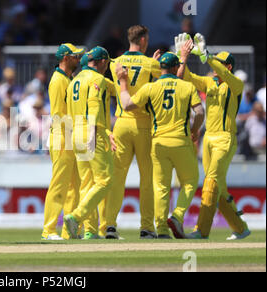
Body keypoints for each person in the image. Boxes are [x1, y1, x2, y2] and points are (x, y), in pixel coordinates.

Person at [115, 51, 205, 239]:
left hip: (157, 143)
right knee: (190, 181)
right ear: (175, 67)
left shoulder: (150, 87)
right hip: (181, 140)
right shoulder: (187, 86)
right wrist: (195, 130)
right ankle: (178, 216)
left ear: (161, 68)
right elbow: (199, 112)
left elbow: (127, 105)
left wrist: (123, 84)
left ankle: (162, 229)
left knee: (161, 187)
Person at [175, 32, 251, 240]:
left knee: (211, 182)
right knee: (219, 188)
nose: (212, 66)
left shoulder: (235, 84)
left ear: (227, 67)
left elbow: (223, 74)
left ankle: (201, 230)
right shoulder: (210, 84)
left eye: (218, 64)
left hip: (226, 139)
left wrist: (208, 56)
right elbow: (186, 78)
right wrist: (182, 56)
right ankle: (241, 228)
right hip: (208, 138)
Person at [105, 25, 162, 239]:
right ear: (144, 39)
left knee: (117, 178)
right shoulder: (150, 63)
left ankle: (110, 225)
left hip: (121, 124)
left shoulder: (115, 63)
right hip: (144, 125)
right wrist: (152, 61)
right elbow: (167, 73)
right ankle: (146, 227)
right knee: (147, 179)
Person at [63, 46, 113, 239]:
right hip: (91, 131)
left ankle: (91, 230)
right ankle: (76, 217)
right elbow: (93, 106)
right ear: (101, 61)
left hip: (76, 132)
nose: (106, 67)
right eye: (106, 63)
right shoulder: (97, 79)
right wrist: (92, 132)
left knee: (87, 183)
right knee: (104, 180)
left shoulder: (74, 81)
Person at [41, 43, 84, 240]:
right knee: (59, 185)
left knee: (74, 187)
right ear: (65, 58)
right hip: (62, 137)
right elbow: (58, 114)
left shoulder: (68, 78)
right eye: (75, 56)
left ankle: (70, 231)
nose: (79, 59)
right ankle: (48, 230)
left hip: (71, 137)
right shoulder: (58, 80)